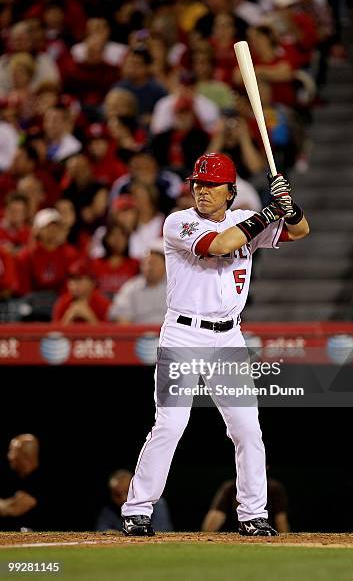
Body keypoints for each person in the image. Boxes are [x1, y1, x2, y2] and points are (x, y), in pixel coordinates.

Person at [121, 152, 309, 537]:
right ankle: (137, 509)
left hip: (228, 337)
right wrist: (270, 211)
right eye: (198, 184)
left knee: (247, 429)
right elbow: (221, 245)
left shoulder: (245, 221)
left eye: (211, 185)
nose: (202, 191)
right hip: (183, 334)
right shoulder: (178, 222)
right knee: (171, 423)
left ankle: (254, 514)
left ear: (230, 191)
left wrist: (289, 206)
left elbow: (302, 230)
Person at [202, 474, 290, 533]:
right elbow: (216, 515)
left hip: (267, 533)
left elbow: (280, 519)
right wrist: (207, 538)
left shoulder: (273, 488)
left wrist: (282, 541)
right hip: (236, 533)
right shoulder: (231, 487)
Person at [109, 238, 166, 324]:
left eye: (154, 263)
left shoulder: (175, 287)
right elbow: (120, 316)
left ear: (165, 266)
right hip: (138, 335)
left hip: (169, 335)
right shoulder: (131, 287)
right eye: (146, 263)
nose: (149, 267)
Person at [96, 469, 173, 532]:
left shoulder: (156, 503)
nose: (123, 498)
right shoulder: (109, 510)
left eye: (127, 492)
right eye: (118, 495)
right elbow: (102, 531)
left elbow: (161, 530)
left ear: (135, 489)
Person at [0, 434, 44, 531]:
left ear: (25, 455)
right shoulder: (17, 477)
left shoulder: (40, 480)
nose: (9, 456)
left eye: (12, 451)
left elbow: (16, 507)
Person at [52, 259, 110, 324]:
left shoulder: (103, 304)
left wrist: (90, 317)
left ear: (92, 282)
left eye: (79, 279)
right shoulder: (62, 303)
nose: (73, 284)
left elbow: (109, 332)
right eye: (71, 279)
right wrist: (68, 318)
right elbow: (54, 332)